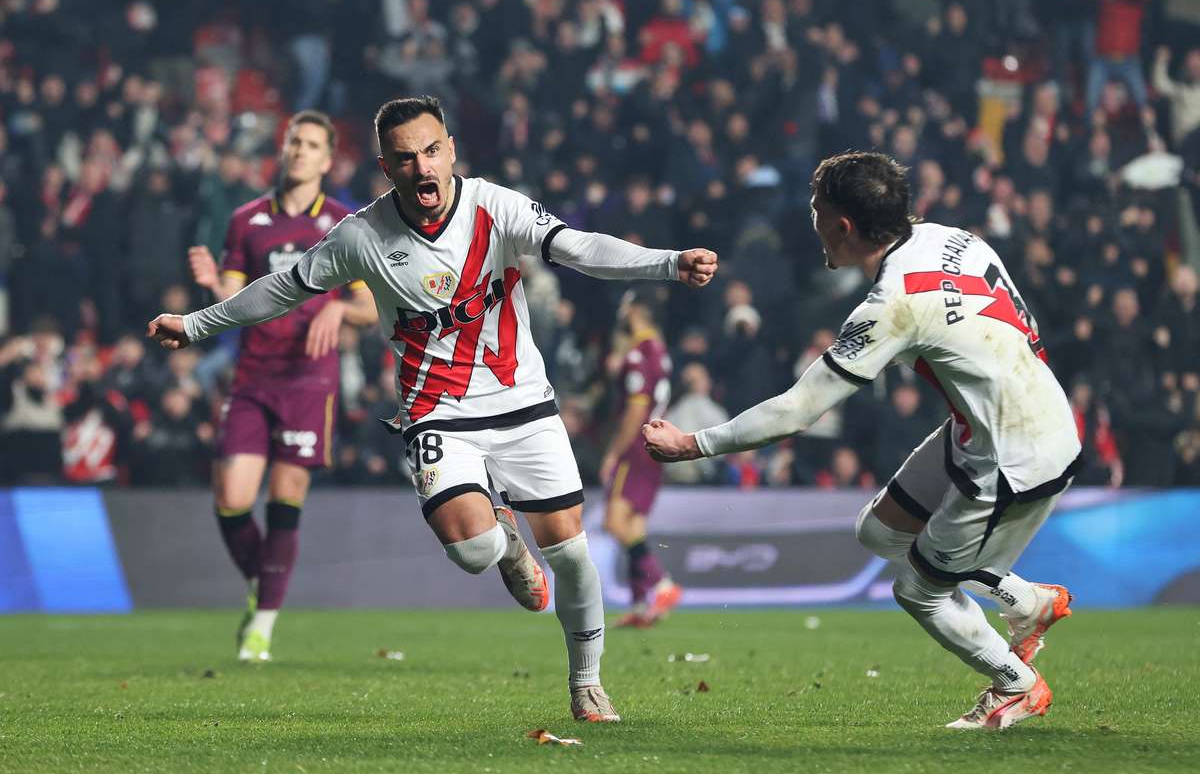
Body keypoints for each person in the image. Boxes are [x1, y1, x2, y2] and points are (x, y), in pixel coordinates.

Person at [149, 95, 718, 722]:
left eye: (430, 151)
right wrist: (198, 325)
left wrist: (666, 263)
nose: (422, 168)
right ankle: (504, 544)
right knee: (472, 550)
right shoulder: (361, 235)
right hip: (438, 410)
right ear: (385, 168)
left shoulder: (495, 207)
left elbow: (579, 248)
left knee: (573, 556)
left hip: (524, 402)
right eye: (404, 159)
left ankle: (586, 683)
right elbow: (282, 289)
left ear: (449, 149)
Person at [644, 151, 1078, 731]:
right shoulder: (953, 239)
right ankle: (1027, 601)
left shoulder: (892, 303)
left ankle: (1016, 685)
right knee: (877, 530)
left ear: (843, 226)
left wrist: (692, 443)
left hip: (1013, 457)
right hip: (993, 422)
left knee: (920, 592)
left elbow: (798, 410)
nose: (812, 219)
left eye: (816, 209)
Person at [187, 110, 379, 663]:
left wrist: (340, 311)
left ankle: (261, 627)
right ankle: (264, 583)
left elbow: (370, 304)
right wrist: (210, 288)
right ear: (284, 149)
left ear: (326, 159)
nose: (299, 150)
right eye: (294, 141)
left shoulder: (348, 224)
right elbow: (230, 300)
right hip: (253, 374)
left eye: (312, 144)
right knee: (230, 499)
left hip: (308, 379)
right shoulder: (246, 220)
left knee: (286, 496)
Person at [600, 289, 681, 628]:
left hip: (635, 447)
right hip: (654, 450)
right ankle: (638, 605)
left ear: (634, 312)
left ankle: (663, 585)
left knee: (614, 524)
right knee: (635, 528)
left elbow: (636, 408)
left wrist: (614, 452)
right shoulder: (661, 353)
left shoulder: (637, 355)